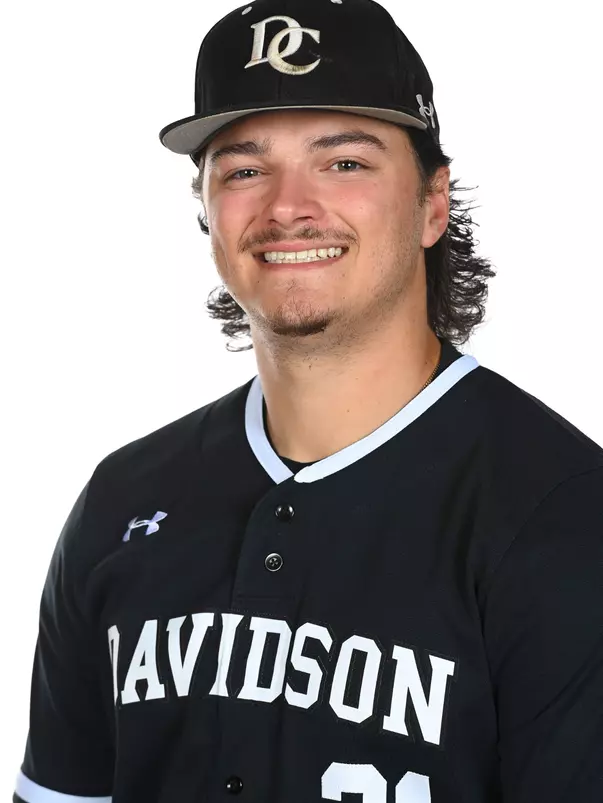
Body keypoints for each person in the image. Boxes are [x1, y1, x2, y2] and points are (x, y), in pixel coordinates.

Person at [14, 0, 603, 801]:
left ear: (432, 205)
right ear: (205, 209)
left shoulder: (561, 512)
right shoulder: (122, 498)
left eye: (344, 162)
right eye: (244, 169)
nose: (287, 206)